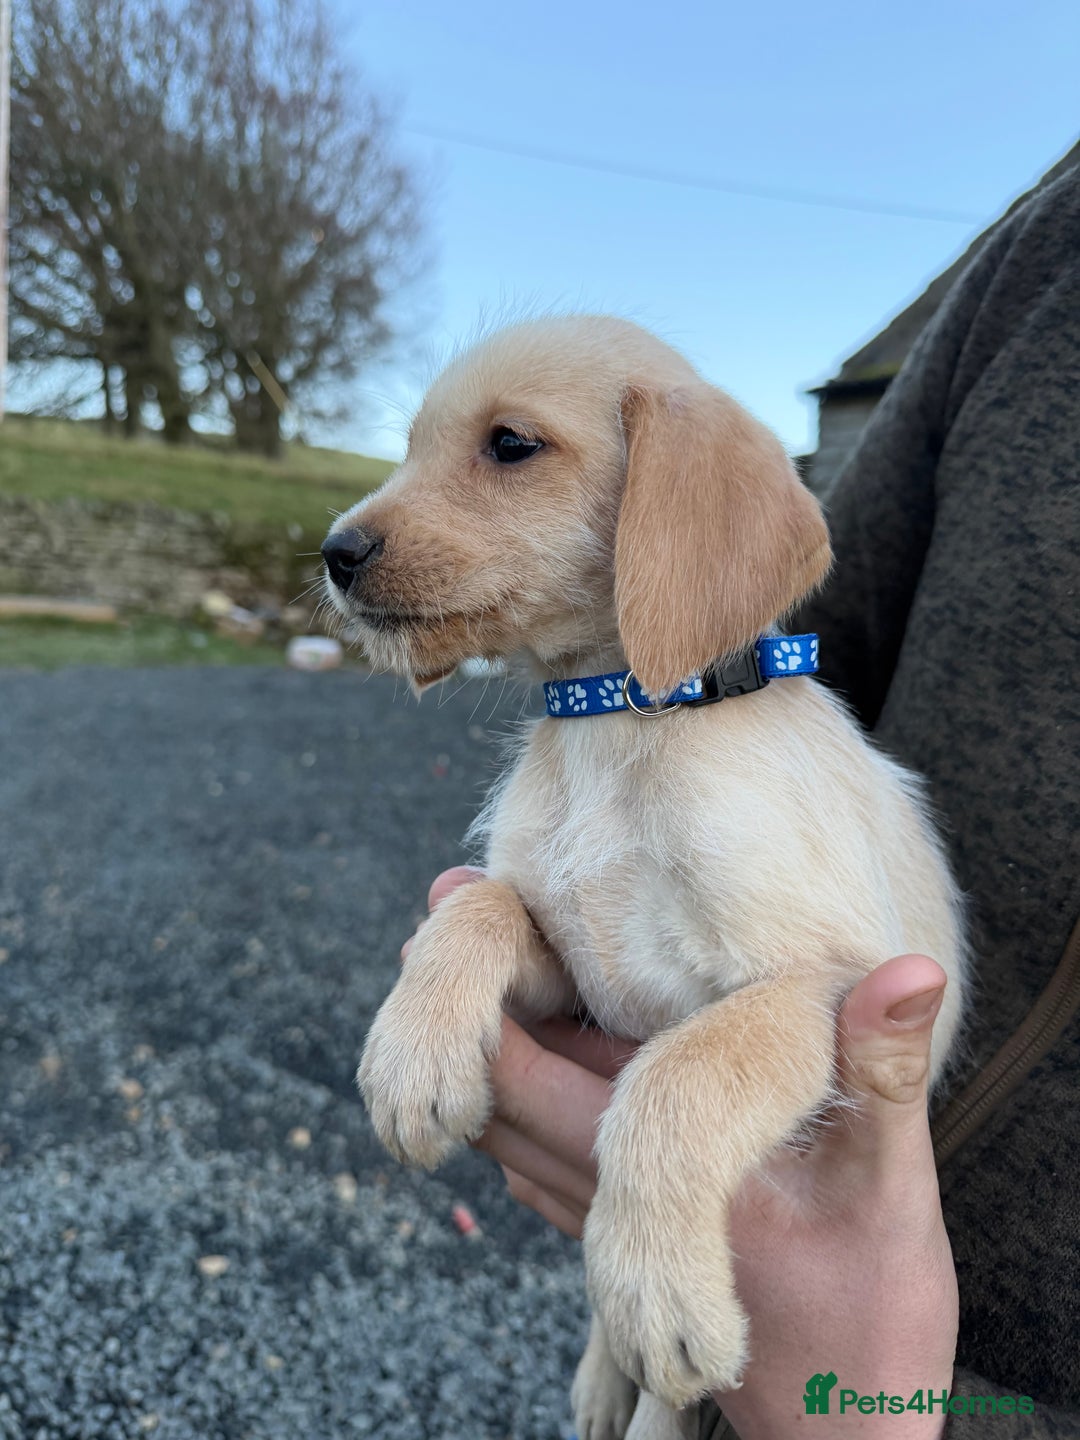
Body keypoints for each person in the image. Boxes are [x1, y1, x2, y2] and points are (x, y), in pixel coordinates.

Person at [407, 161, 1080, 1438]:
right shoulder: (1045, 254)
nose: (361, 528)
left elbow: (816, 997)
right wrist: (474, 945)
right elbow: (803, 623)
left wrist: (873, 1411)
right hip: (739, 1269)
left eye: (506, 450)